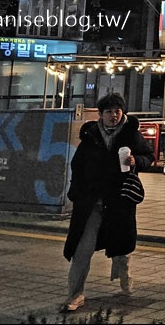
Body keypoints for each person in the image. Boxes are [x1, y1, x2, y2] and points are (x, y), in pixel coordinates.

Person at [61, 92, 153, 313]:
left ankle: (125, 282)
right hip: (91, 203)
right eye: (109, 111)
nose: (114, 115)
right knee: (82, 250)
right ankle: (75, 295)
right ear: (100, 115)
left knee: (121, 248)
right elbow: (78, 165)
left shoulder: (131, 134)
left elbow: (149, 157)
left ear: (123, 113)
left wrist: (135, 161)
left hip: (119, 201)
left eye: (117, 111)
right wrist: (77, 193)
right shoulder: (91, 136)